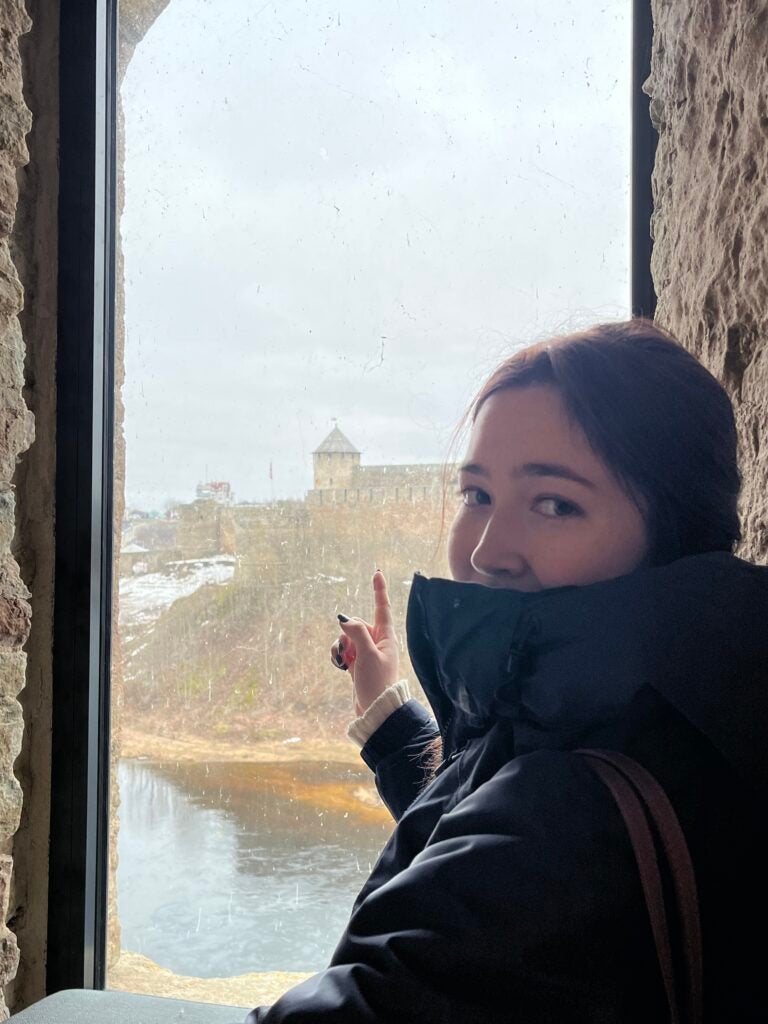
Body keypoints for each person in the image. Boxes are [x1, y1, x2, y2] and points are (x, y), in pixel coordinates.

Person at [245, 320, 768, 1023]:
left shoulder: (571, 808)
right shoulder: (693, 706)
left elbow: (531, 845)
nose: (488, 550)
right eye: (476, 495)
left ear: (673, 529)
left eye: (555, 503)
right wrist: (390, 718)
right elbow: (491, 822)